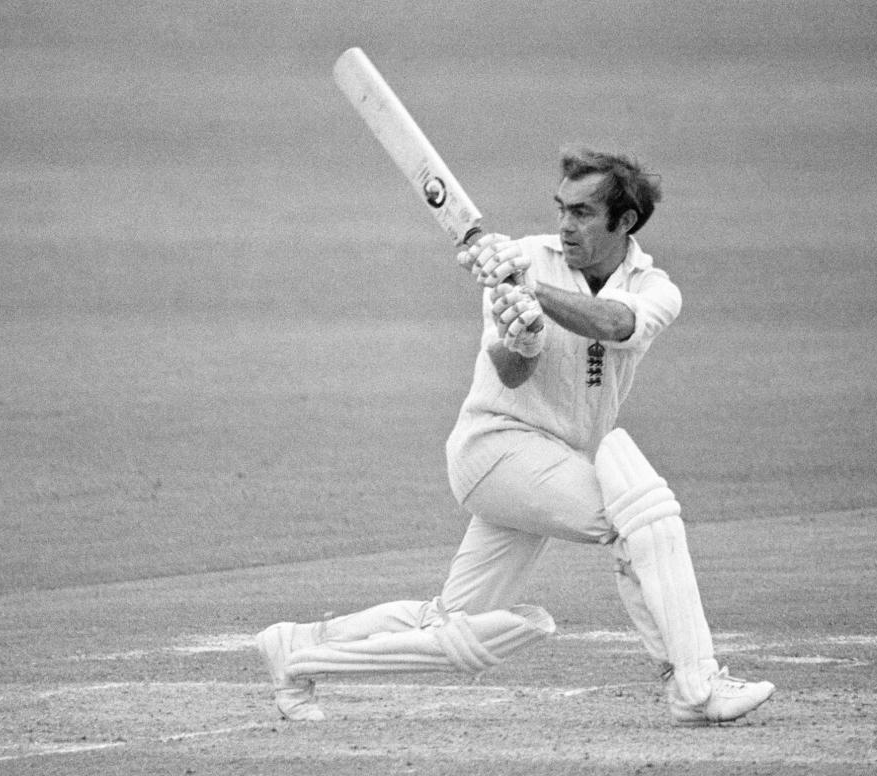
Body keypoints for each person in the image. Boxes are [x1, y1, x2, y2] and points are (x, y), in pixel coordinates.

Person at [257, 146, 775, 725]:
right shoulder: (522, 257)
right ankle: (694, 683)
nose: (565, 224)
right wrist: (524, 337)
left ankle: (296, 651)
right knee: (640, 517)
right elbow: (509, 369)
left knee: (456, 626)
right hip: (497, 449)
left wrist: (536, 294)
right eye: (561, 209)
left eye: (582, 213)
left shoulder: (655, 288)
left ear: (623, 221)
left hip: (550, 462)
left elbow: (615, 323)